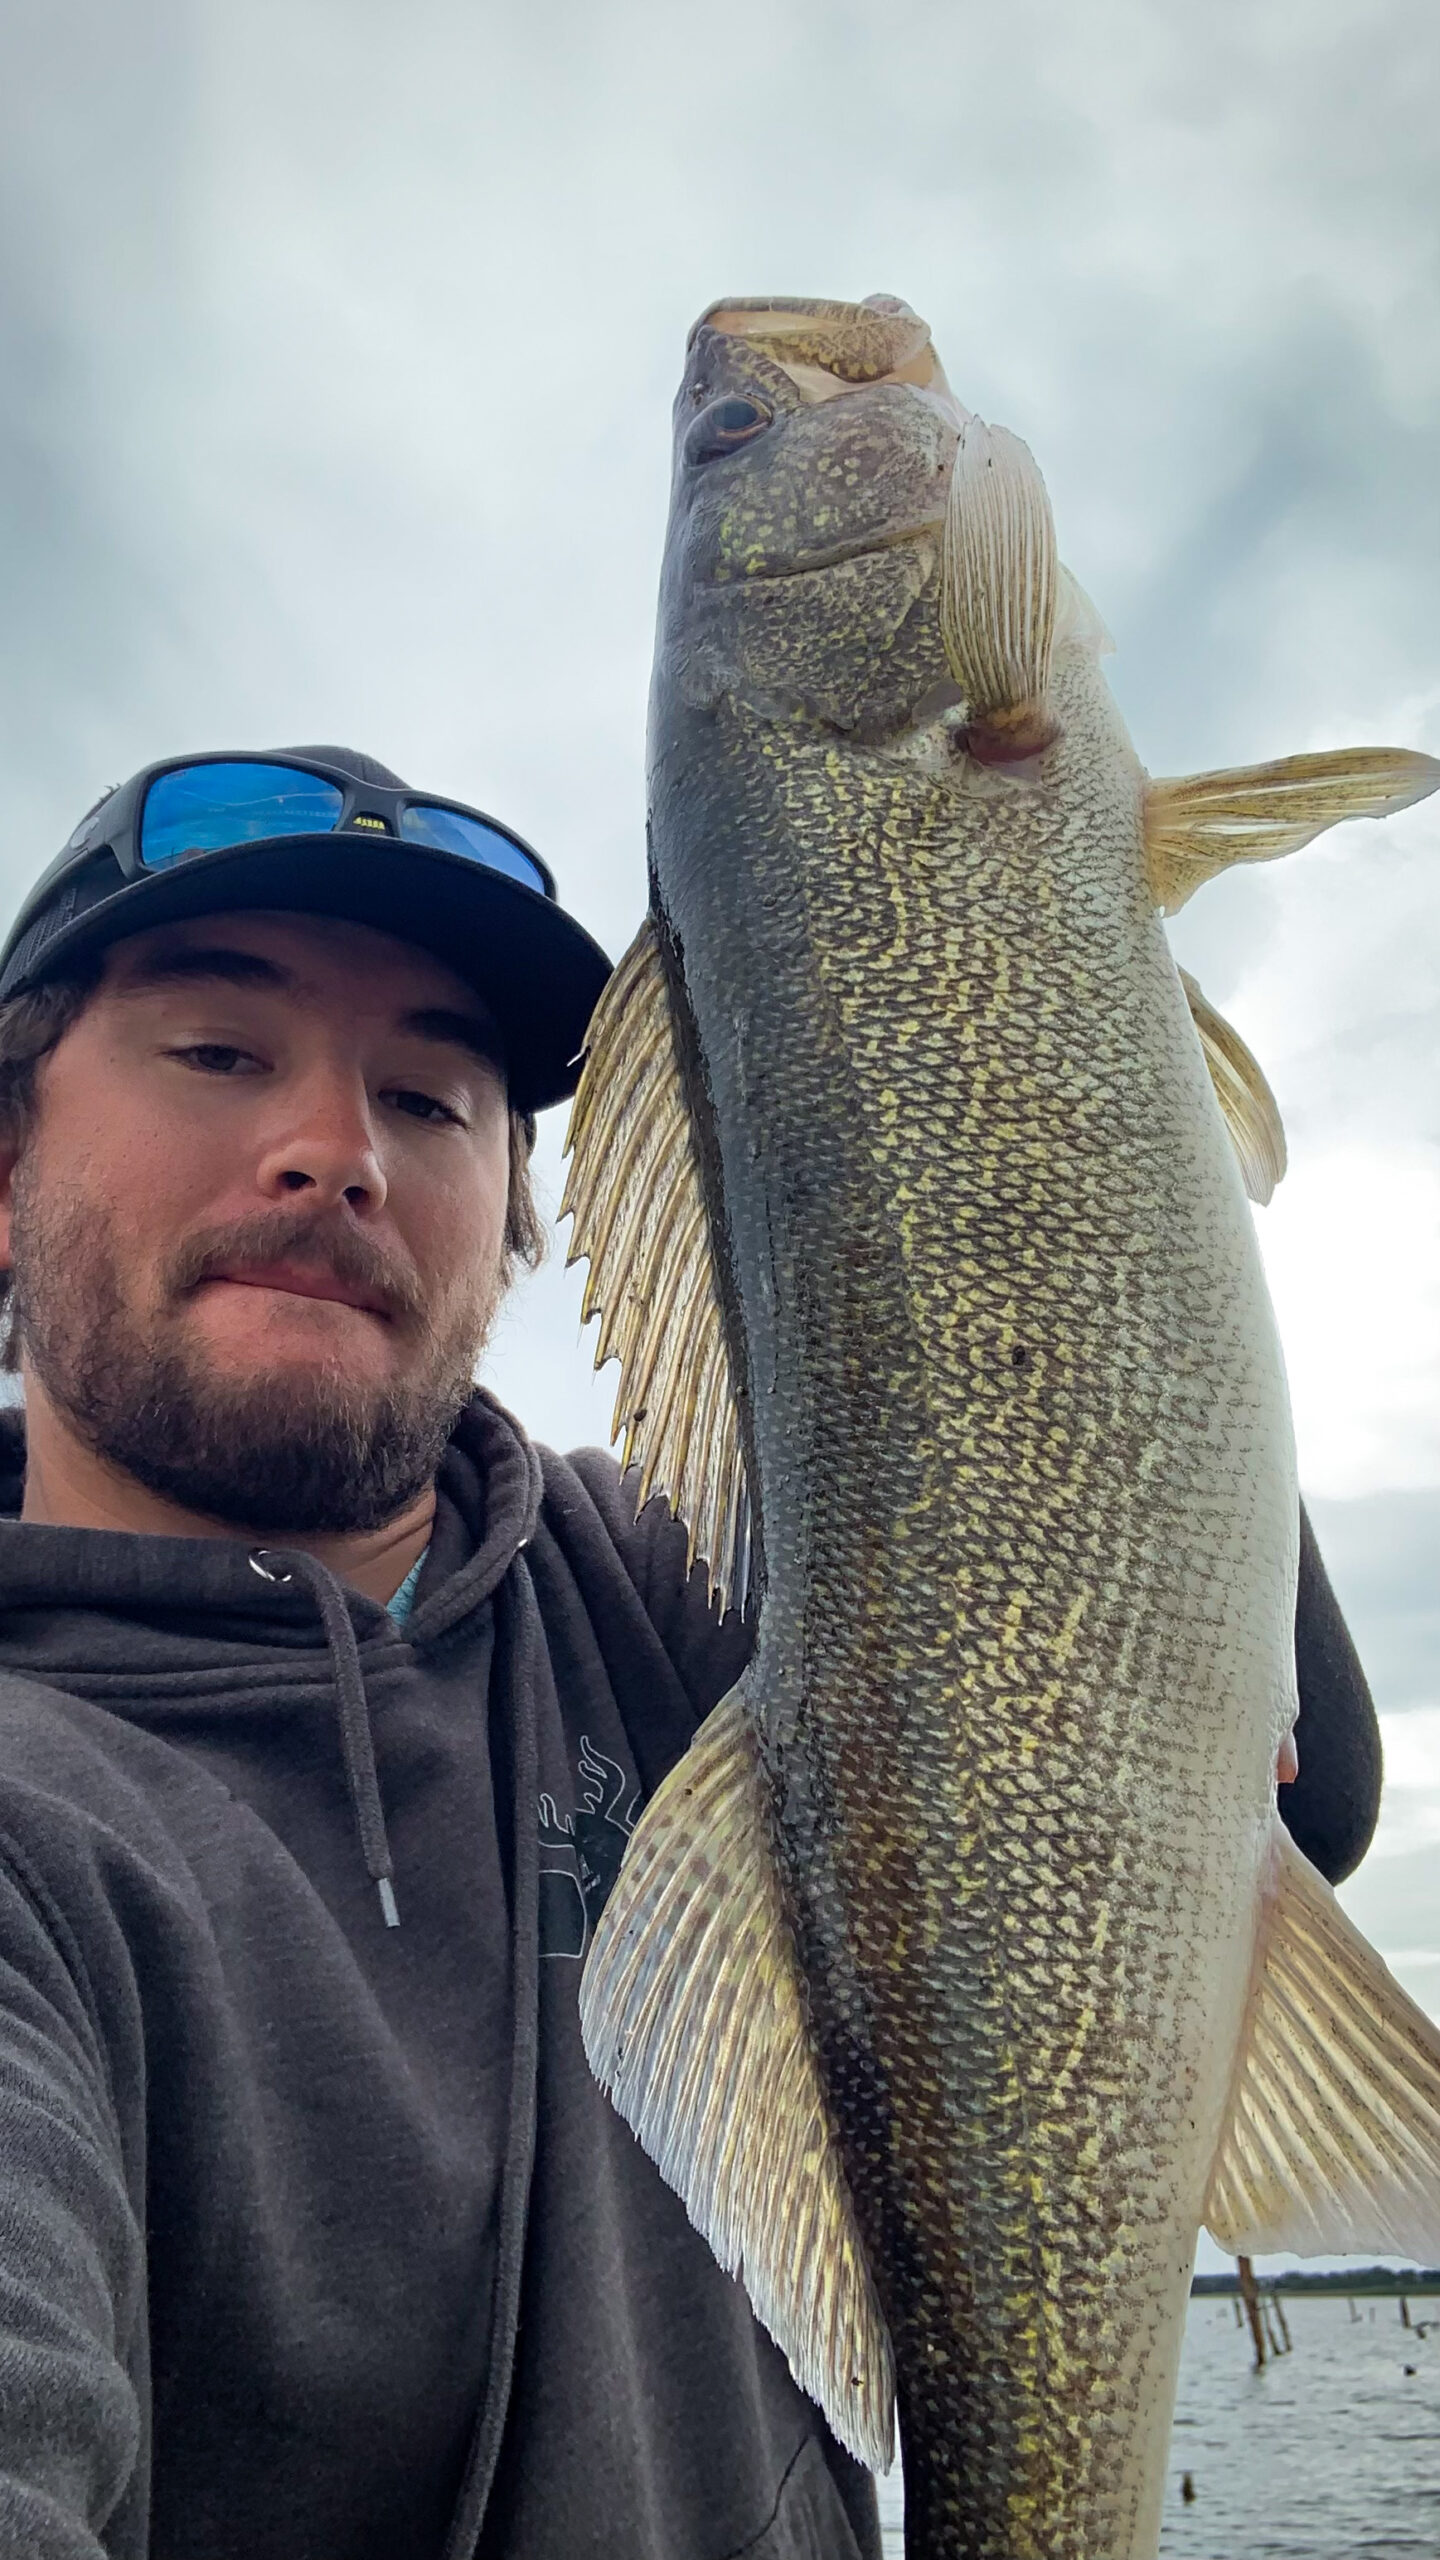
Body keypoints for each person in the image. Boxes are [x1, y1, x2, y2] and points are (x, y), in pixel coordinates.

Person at [0, 746, 1380, 2560]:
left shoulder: (669, 1591)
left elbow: (1321, 1787)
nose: (336, 1151)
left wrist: (1049, 1023)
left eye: (429, 1096)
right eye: (219, 1053)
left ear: (513, 1216)